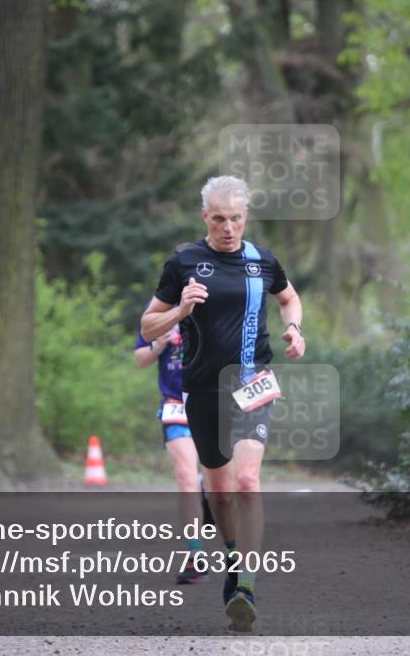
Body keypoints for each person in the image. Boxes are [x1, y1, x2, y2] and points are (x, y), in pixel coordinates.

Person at [141, 175, 305, 631]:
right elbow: (148, 326)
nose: (228, 227)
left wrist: (295, 329)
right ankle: (232, 558)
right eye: (218, 219)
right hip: (201, 388)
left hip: (253, 382)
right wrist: (179, 311)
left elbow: (290, 299)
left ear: (246, 216)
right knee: (220, 490)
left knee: (248, 480)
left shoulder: (262, 261)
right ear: (204, 217)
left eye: (235, 218)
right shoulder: (185, 262)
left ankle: (246, 582)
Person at [133, 318, 209, 584]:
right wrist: (159, 344)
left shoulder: (214, 296)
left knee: (220, 484)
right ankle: (196, 555)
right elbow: (140, 359)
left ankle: (208, 497)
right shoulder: (160, 309)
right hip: (175, 406)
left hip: (213, 400)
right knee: (186, 478)